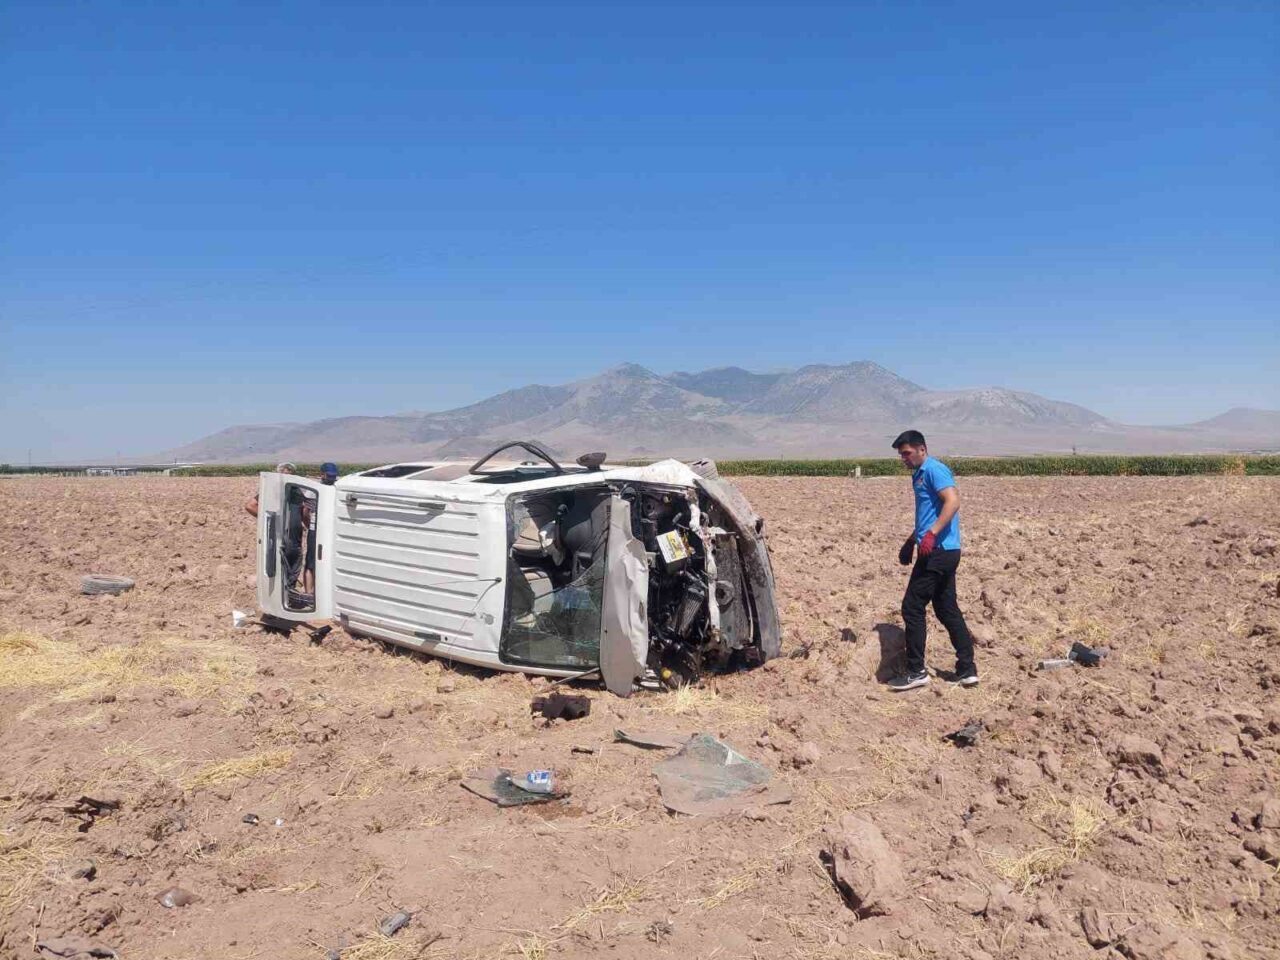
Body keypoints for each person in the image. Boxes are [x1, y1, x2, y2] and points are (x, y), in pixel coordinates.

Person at [888, 430, 978, 691]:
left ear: (921, 449)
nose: (903, 459)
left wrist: (931, 535)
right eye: (900, 455)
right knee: (946, 608)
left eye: (906, 453)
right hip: (942, 550)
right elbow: (929, 513)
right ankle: (967, 670)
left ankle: (916, 671)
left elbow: (953, 501)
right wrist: (911, 540)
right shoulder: (919, 474)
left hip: (938, 551)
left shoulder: (934, 470)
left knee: (912, 606)